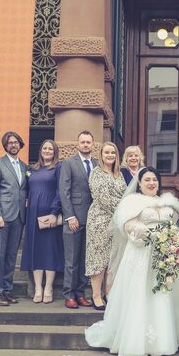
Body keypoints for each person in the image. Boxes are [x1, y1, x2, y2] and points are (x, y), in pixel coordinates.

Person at [85, 167, 179, 356]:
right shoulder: (131, 202)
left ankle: (162, 339)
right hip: (141, 253)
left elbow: (175, 225)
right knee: (140, 293)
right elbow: (127, 226)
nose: (151, 183)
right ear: (139, 183)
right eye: (147, 180)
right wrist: (143, 232)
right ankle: (135, 340)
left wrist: (173, 241)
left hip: (164, 256)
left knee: (161, 295)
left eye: (154, 180)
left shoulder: (168, 202)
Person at [0, 131, 28, 307]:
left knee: (11, 255)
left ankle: (6, 290)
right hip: (2, 217)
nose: (13, 145)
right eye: (10, 143)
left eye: (16, 142)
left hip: (19, 216)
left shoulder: (25, 167)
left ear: (20, 145)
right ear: (5, 146)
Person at [21, 139, 64, 303]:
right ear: (40, 151)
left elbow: (60, 191)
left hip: (49, 214)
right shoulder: (31, 169)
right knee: (36, 250)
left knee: (50, 250)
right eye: (44, 148)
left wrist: (55, 211)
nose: (47, 151)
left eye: (50, 149)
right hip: (33, 214)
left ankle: (49, 287)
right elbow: (25, 189)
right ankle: (38, 287)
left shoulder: (58, 168)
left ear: (55, 152)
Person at [58, 131, 98, 309]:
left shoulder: (97, 163)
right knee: (71, 260)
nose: (86, 145)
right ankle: (69, 294)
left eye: (88, 142)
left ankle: (81, 293)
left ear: (93, 144)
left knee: (85, 260)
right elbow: (64, 192)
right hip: (74, 218)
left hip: (93, 218)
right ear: (78, 144)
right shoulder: (68, 163)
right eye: (82, 142)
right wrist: (70, 216)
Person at [85, 141, 127, 309]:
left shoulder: (120, 174)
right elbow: (103, 199)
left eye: (113, 153)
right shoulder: (97, 173)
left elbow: (126, 195)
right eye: (107, 153)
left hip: (117, 223)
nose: (110, 155)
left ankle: (108, 293)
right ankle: (96, 295)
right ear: (101, 155)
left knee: (112, 259)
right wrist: (123, 209)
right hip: (100, 220)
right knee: (98, 259)